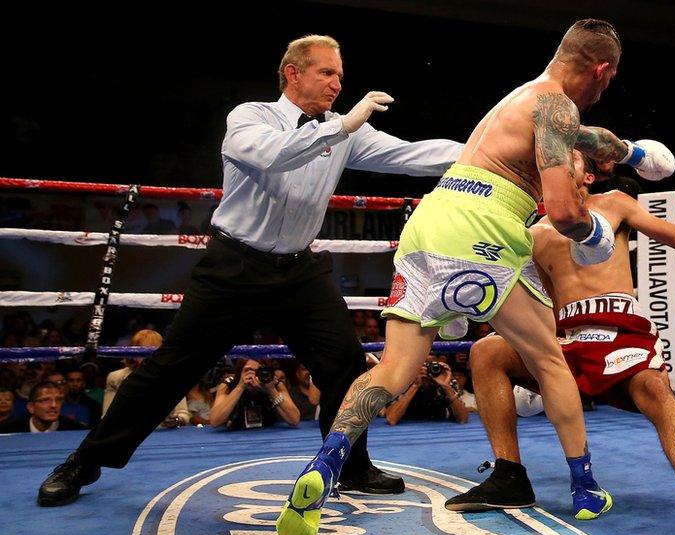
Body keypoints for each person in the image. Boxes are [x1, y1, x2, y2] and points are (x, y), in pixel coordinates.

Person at [277, 20, 675, 535]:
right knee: (550, 360)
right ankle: (586, 489)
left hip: (428, 224)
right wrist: (596, 233)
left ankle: (325, 464)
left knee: (396, 368)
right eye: (607, 83)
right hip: (484, 226)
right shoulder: (558, 105)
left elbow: (584, 139)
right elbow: (561, 210)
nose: (603, 91)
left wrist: (629, 153)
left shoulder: (525, 99)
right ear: (601, 70)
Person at [37, 34, 462, 507]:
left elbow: (411, 154)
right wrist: (341, 128)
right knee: (169, 370)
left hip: (300, 270)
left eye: (341, 75)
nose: (337, 83)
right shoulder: (249, 117)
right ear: (293, 73)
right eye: (326, 72)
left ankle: (351, 464)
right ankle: (84, 462)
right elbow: (274, 155)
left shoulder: (344, 131)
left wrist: (486, 150)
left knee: (344, 363)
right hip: (235, 266)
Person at [444, 153, 675, 535]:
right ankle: (509, 475)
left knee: (654, 389)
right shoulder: (533, 235)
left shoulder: (614, 204)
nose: (556, 164)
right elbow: (541, 300)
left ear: (587, 175)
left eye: (568, 159)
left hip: (620, 326)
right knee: (487, 351)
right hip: (567, 337)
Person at [103, 329, 192, 429]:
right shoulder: (116, 378)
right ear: (134, 355)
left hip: (162, 434)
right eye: (143, 353)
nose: (149, 358)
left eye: (152, 353)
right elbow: (106, 417)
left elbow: (183, 414)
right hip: (126, 433)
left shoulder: (171, 377)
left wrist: (175, 420)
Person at [209, 359, 300, 428]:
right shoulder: (228, 386)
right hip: (235, 433)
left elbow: (294, 419)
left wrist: (271, 391)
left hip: (268, 435)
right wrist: (240, 387)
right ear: (240, 372)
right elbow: (215, 421)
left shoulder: (274, 384)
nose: (253, 376)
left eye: (258, 371)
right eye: (248, 371)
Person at [383, 361, 469, 425]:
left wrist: (446, 387)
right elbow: (392, 419)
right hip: (408, 429)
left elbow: (463, 418)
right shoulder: (402, 381)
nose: (428, 370)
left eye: (431, 366)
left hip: (439, 428)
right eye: (424, 366)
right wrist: (415, 385)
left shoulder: (446, 380)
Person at [0, 382, 87, 433]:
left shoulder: (76, 430)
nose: (54, 405)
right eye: (45, 400)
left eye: (58, 400)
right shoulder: (8, 431)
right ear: (31, 407)